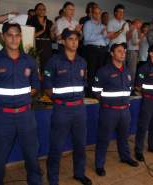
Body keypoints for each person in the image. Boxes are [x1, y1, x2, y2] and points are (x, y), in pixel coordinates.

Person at [0, 22, 42, 185]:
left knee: (32, 156)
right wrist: (2, 103)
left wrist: (22, 100)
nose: (14, 39)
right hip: (2, 118)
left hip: (26, 117)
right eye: (10, 35)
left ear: (21, 37)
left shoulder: (29, 61)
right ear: (3, 37)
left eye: (17, 35)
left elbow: (36, 85)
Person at [43, 28, 92, 185]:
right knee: (56, 146)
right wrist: (60, 100)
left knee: (80, 144)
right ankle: (53, 179)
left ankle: (79, 173)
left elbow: (84, 84)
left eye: (76, 39)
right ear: (63, 41)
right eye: (70, 39)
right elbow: (47, 87)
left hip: (79, 109)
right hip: (62, 110)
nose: (74, 42)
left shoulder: (82, 62)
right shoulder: (54, 61)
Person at [92, 43, 139, 177]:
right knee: (103, 139)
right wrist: (107, 102)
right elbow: (95, 91)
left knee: (124, 137)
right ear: (112, 54)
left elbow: (129, 88)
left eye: (124, 51)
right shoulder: (104, 71)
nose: (123, 53)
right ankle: (99, 165)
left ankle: (125, 157)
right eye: (119, 51)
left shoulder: (127, 70)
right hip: (109, 112)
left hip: (125, 111)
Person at [134, 45, 153, 161]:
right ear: (151, 54)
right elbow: (137, 86)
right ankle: (138, 150)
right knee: (143, 126)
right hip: (148, 101)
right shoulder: (144, 68)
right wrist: (148, 93)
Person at [83, 6, 108, 97]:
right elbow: (87, 38)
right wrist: (100, 35)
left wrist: (107, 39)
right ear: (92, 14)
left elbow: (105, 40)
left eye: (99, 13)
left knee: (100, 73)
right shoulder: (88, 24)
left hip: (102, 50)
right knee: (92, 73)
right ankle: (89, 93)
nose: (98, 15)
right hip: (92, 50)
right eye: (96, 13)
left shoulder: (103, 26)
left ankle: (98, 93)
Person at [27, 3, 53, 74]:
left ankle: (46, 79)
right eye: (40, 9)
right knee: (37, 66)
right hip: (37, 44)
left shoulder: (49, 22)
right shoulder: (31, 21)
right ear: (36, 11)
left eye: (44, 9)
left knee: (47, 65)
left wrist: (52, 31)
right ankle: (37, 80)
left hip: (47, 45)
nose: (42, 11)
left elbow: (53, 38)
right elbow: (29, 36)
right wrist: (42, 30)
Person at [126, 19, 142, 87]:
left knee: (132, 70)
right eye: (139, 24)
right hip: (132, 51)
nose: (140, 26)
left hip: (131, 51)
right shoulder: (134, 29)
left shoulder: (132, 29)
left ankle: (130, 86)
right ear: (136, 23)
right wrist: (141, 38)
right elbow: (134, 42)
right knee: (132, 71)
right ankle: (130, 87)